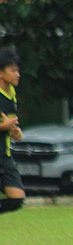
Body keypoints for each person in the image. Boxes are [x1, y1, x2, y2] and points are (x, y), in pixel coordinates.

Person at [0, 48, 25, 215]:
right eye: (13, 70)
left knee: (17, 198)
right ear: (1, 72)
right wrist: (4, 126)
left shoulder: (12, 93)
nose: (17, 74)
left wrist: (16, 131)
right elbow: (4, 123)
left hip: (5, 155)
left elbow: (10, 122)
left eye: (18, 70)